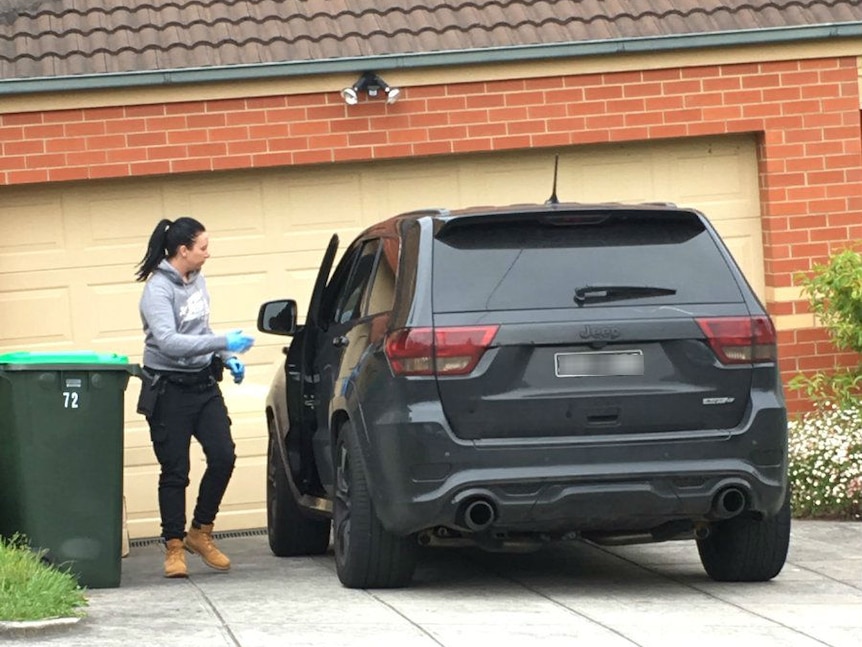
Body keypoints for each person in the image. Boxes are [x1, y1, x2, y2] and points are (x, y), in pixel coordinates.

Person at [135, 216, 254, 579]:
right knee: (176, 471)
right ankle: (173, 547)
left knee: (223, 456)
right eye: (202, 247)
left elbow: (201, 329)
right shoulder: (157, 290)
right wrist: (223, 343)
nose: (208, 253)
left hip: (203, 387)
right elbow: (169, 342)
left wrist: (225, 356)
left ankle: (200, 532)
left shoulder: (198, 281)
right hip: (169, 390)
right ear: (183, 250)